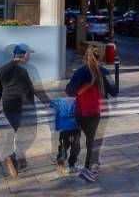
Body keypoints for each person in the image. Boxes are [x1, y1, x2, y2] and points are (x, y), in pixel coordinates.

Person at [65, 45, 118, 182]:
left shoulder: (80, 72)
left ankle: (79, 164)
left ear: (84, 57)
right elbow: (114, 91)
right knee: (93, 140)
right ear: (100, 58)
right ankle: (89, 167)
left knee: (84, 138)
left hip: (81, 111)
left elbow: (69, 91)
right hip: (97, 111)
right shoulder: (104, 72)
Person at [0, 44, 42, 177]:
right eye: (28, 54)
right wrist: (43, 102)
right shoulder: (23, 71)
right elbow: (31, 89)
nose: (29, 57)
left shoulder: (1, 70)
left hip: (8, 105)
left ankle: (18, 160)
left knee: (16, 133)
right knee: (27, 135)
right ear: (23, 56)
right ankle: (15, 157)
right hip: (22, 106)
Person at [51, 96, 79, 175]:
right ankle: (71, 165)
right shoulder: (77, 100)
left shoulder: (60, 101)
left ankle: (61, 165)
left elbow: (51, 104)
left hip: (65, 129)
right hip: (74, 129)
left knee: (64, 147)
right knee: (75, 148)